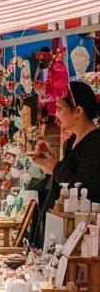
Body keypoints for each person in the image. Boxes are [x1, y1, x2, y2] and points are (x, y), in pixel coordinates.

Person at [31, 80, 100, 242]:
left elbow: (85, 190)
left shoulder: (95, 145)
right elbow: (66, 176)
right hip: (62, 228)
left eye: (59, 109)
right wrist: (52, 162)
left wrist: (55, 168)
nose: (55, 114)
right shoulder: (71, 142)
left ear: (78, 111)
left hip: (83, 235)